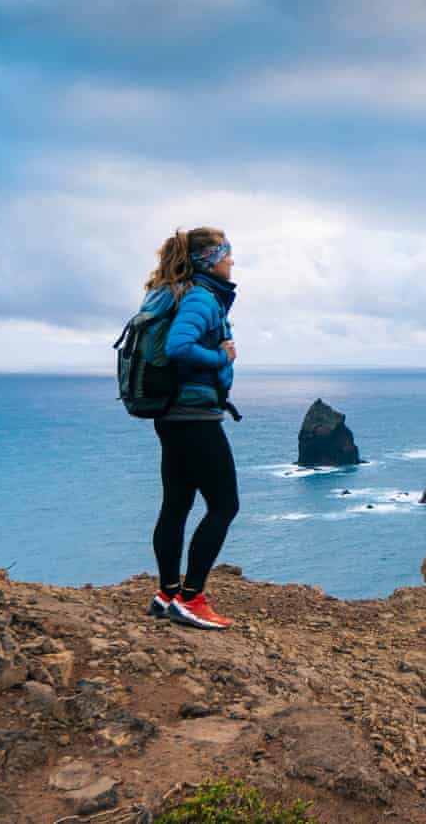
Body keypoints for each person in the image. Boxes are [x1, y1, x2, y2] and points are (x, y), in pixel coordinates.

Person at [141, 227, 240, 629]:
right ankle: (191, 597)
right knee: (224, 505)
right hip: (195, 419)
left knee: (177, 504)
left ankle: (166, 594)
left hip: (171, 417)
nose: (232, 261)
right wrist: (220, 356)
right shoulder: (201, 297)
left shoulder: (172, 293)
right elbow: (178, 347)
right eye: (228, 253)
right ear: (210, 259)